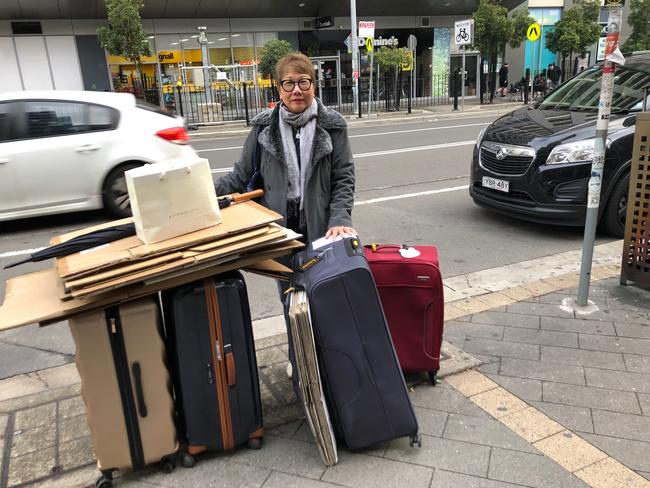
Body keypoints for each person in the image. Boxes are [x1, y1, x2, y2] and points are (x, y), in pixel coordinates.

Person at [214, 52, 356, 377]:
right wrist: (203, 195)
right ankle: (299, 357)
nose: (297, 90)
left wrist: (340, 219)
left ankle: (328, 357)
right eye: (289, 83)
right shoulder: (265, 128)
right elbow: (238, 176)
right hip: (280, 233)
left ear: (313, 85)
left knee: (324, 297)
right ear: (278, 88)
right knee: (291, 300)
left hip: (320, 229)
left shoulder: (332, 126)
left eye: (303, 82)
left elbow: (344, 177)